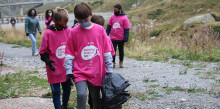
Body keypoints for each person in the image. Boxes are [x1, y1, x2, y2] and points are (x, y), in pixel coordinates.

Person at [65, 2, 114, 109]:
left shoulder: (100, 30)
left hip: (96, 71)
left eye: (86, 20)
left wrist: (109, 68)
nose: (83, 23)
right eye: (80, 21)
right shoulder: (73, 32)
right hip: (79, 71)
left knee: (95, 97)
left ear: (91, 15)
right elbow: (69, 53)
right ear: (76, 19)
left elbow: (107, 51)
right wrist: (68, 71)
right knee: (81, 95)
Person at [39, 7, 71, 109]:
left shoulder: (68, 30)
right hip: (54, 68)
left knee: (67, 89)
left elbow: (74, 47)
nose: (63, 27)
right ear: (54, 21)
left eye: (65, 25)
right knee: (56, 92)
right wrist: (47, 61)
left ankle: (64, 105)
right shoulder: (48, 33)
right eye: (60, 25)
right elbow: (43, 51)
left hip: (66, 68)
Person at [106, 4, 130, 68]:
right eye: (114, 10)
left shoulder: (125, 18)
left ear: (120, 10)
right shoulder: (112, 17)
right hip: (113, 38)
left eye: (116, 10)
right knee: (113, 51)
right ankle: (113, 62)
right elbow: (109, 27)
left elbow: (126, 29)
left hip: (121, 38)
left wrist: (126, 37)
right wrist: (106, 35)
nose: (114, 11)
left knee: (121, 50)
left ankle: (121, 62)